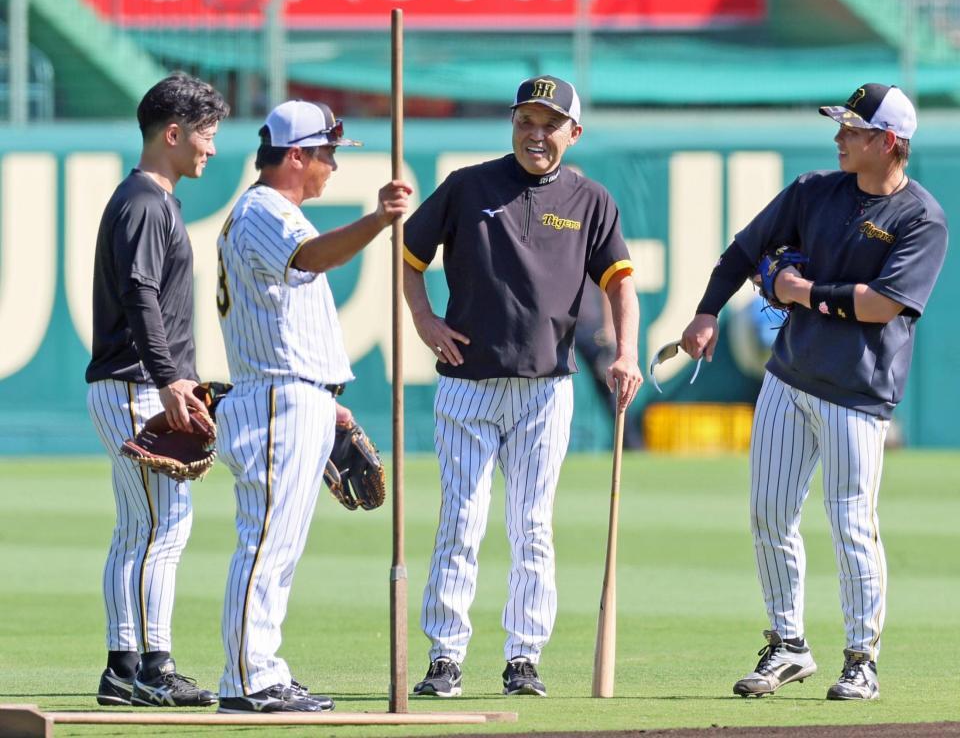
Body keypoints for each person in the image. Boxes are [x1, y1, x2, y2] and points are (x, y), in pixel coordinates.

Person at [680, 83, 948, 701]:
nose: (839, 138)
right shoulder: (812, 190)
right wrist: (704, 313)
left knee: (852, 523)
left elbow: (880, 306)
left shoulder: (920, 218)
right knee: (769, 515)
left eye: (853, 130)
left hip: (858, 393)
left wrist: (797, 290)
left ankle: (861, 658)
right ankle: (787, 643)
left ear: (889, 141)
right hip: (788, 378)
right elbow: (745, 251)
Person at [403, 75, 642, 698]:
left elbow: (619, 283)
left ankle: (523, 659)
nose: (536, 134)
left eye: (549, 124)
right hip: (468, 384)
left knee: (533, 525)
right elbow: (410, 253)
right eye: (525, 122)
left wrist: (627, 352)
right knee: (461, 519)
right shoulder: (468, 185)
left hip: (544, 390)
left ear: (573, 132)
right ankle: (445, 657)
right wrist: (423, 319)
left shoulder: (590, 199)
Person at [213, 100, 411, 713]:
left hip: (296, 397)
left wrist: (330, 408)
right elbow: (313, 257)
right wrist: (379, 220)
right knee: (267, 543)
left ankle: (260, 671)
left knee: (277, 546)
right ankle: (249, 680)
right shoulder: (266, 210)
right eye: (326, 153)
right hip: (277, 398)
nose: (331, 166)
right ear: (295, 155)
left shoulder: (267, 211)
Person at [85, 73, 228, 707]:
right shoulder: (145, 201)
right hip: (136, 385)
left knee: (139, 529)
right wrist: (170, 378)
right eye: (205, 134)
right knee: (161, 527)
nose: (212, 149)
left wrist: (181, 375)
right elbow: (139, 292)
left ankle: (125, 667)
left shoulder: (149, 197)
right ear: (172, 134)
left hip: (136, 383)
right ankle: (148, 669)